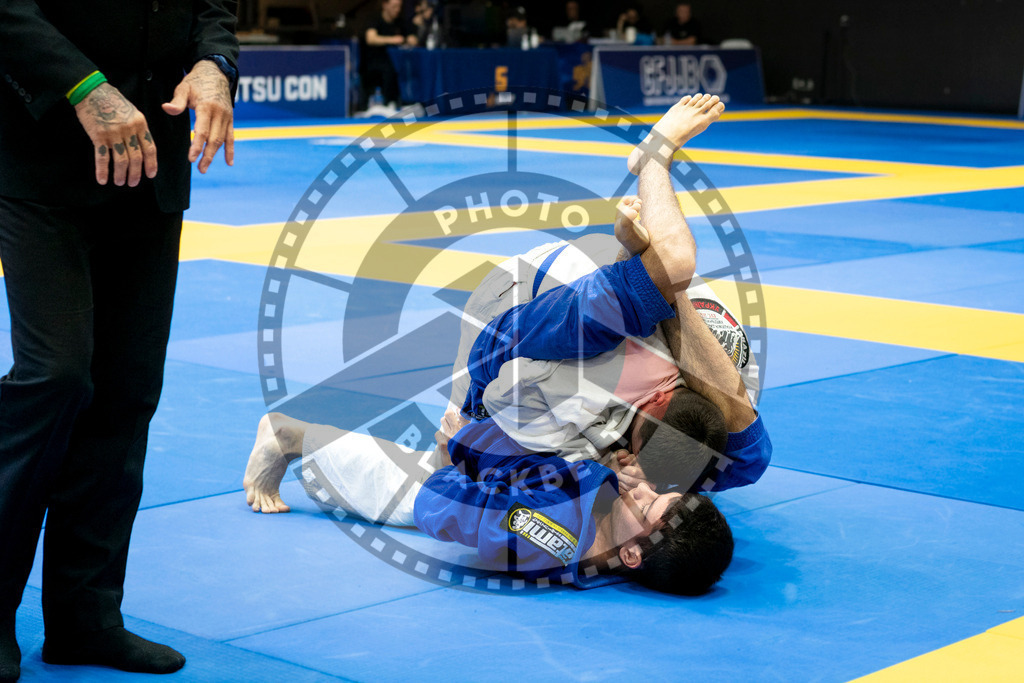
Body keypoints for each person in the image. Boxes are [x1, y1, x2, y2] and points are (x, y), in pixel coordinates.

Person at [243, 95, 750, 594]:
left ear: (633, 552)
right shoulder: (633, 483)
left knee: (420, 487)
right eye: (663, 490)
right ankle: (297, 439)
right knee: (730, 436)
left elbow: (445, 500)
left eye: (651, 504)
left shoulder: (551, 532)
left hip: (507, 375)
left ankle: (294, 439)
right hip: (545, 348)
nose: (646, 488)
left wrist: (456, 456)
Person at [0, 2, 238, 681]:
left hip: (153, 163)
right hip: (38, 151)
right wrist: (83, 85)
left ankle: (86, 617)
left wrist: (214, 63)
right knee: (56, 376)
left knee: (126, 389)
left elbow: (210, 6)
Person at [362, 0, 416, 110]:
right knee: (388, 68)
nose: (397, 10)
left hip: (398, 62)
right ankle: (384, 102)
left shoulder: (400, 21)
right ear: (385, 5)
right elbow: (370, 38)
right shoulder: (374, 19)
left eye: (399, 7)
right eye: (394, 6)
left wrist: (408, 39)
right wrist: (392, 40)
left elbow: (413, 39)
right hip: (375, 61)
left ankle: (404, 101)